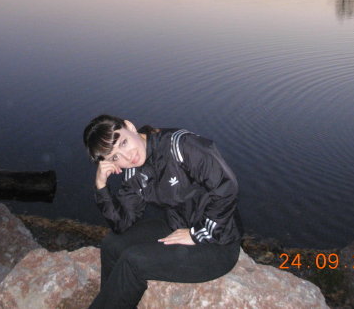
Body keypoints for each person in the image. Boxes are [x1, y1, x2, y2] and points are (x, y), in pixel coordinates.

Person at [83, 114, 243, 308]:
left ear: (130, 127)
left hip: (217, 243)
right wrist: (101, 186)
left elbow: (227, 187)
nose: (127, 157)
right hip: (177, 225)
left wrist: (197, 234)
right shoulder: (134, 172)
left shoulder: (180, 146)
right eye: (115, 157)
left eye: (123, 143)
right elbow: (121, 223)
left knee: (133, 261)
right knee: (112, 245)